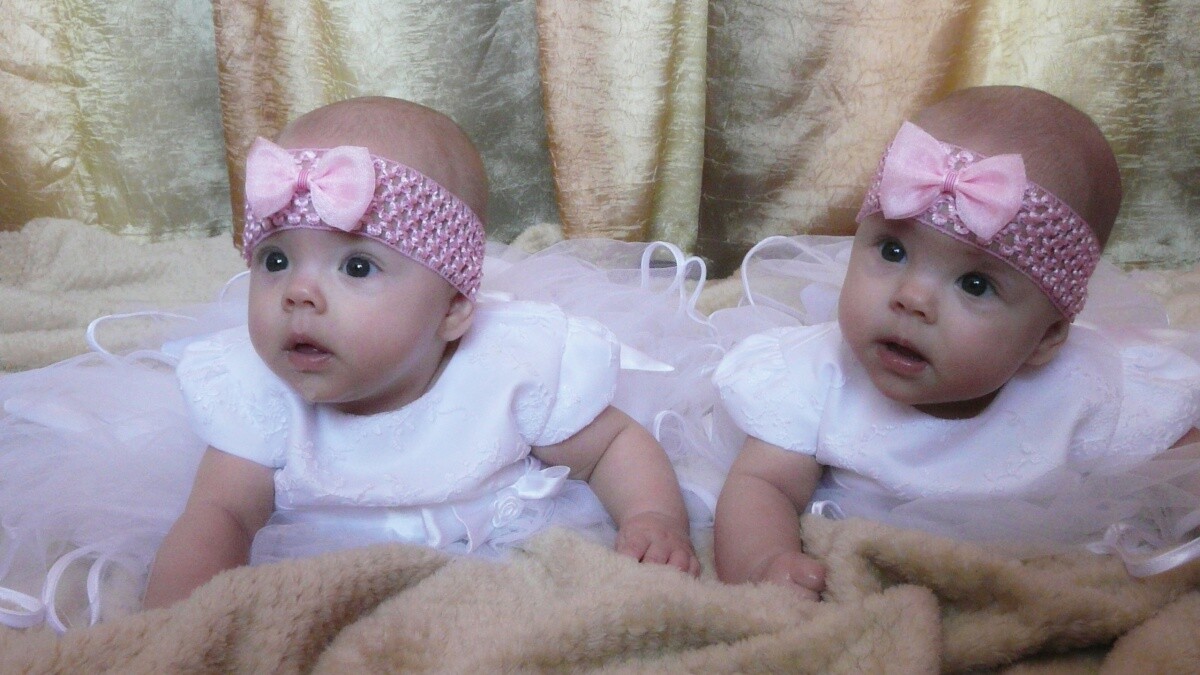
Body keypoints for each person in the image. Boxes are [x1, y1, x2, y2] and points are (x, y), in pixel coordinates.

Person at [0, 97, 712, 630]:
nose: (299, 293)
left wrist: (652, 515)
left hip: (500, 557)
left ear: (453, 310)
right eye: (276, 261)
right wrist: (179, 625)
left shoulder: (509, 368)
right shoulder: (258, 394)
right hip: (319, 568)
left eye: (358, 266)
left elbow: (612, 446)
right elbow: (219, 514)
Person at [710, 86, 1200, 601]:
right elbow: (761, 484)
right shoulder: (817, 374)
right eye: (892, 250)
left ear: (1046, 337)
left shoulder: (1084, 389)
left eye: (975, 284)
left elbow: (1179, 453)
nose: (912, 298)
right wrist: (764, 561)